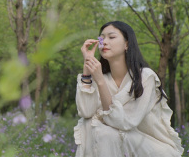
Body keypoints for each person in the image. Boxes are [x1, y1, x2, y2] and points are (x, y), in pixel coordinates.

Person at [74, 21, 183, 157]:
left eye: (111, 37)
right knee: (88, 124)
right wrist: (87, 68)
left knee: (104, 132)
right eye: (101, 38)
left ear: (127, 44)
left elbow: (125, 123)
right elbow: (86, 111)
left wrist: (100, 82)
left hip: (151, 148)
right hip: (117, 142)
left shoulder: (145, 77)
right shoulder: (101, 76)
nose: (105, 42)